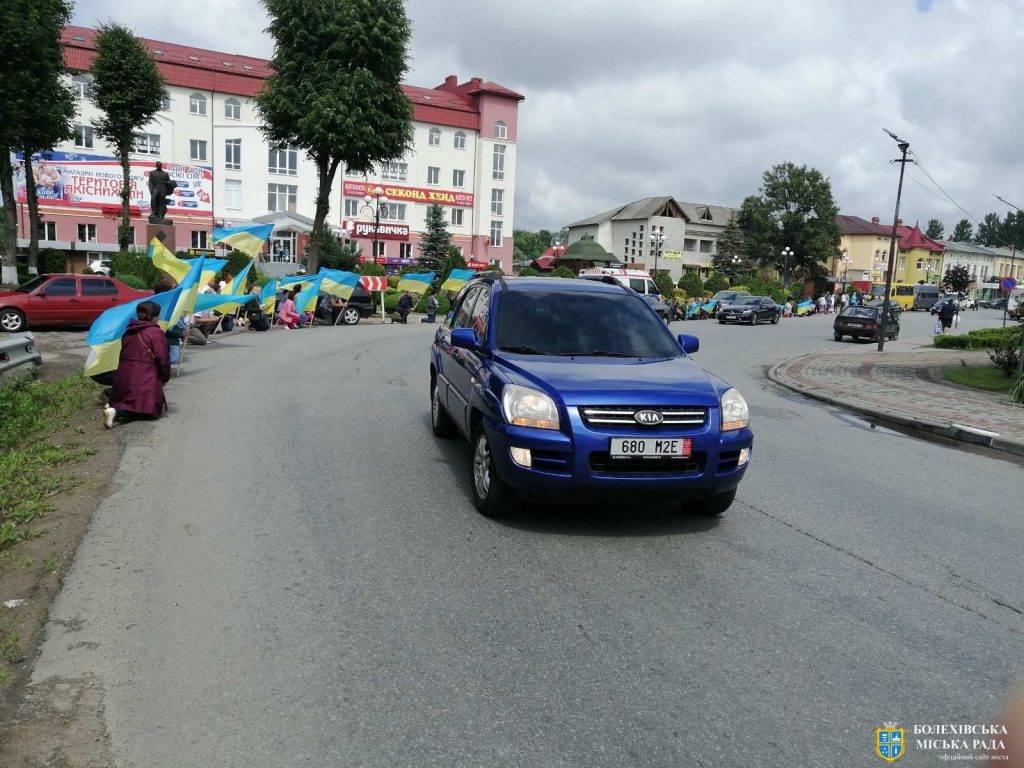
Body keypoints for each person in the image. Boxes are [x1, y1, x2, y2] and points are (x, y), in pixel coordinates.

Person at [102, 301, 171, 428]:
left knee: (133, 401)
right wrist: (165, 376)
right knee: (149, 411)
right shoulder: (155, 332)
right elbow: (163, 358)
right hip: (144, 377)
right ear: (154, 316)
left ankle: (114, 402)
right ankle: (116, 411)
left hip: (122, 378)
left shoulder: (128, 331)